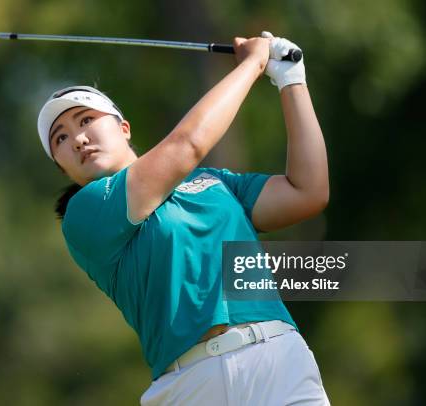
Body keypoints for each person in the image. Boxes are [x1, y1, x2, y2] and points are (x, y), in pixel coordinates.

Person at [37, 32, 330, 405]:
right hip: (190, 384)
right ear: (62, 168)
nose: (77, 139)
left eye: (86, 119)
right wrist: (254, 64)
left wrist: (291, 78)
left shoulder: (214, 182)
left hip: (278, 359)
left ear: (123, 128)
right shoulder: (87, 214)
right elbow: (187, 145)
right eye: (60, 139)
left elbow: (308, 191)